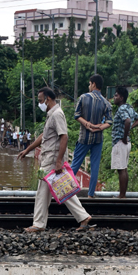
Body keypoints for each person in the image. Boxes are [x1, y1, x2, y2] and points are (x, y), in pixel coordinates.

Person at [18, 87, 92, 233]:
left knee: (44, 191)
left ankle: (39, 224)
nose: (40, 104)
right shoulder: (51, 114)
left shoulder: (57, 114)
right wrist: (28, 149)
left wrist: (59, 161)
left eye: (40, 101)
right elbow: (43, 136)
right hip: (49, 158)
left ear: (48, 99)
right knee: (62, 189)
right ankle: (83, 216)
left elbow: (64, 136)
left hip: (51, 159)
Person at [70, 74, 112, 197]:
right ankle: (91, 193)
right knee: (95, 166)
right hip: (98, 139)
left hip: (84, 137)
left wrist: (87, 124)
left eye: (89, 84)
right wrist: (98, 127)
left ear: (93, 84)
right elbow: (109, 122)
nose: (89, 86)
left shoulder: (83, 98)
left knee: (75, 164)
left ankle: (66, 191)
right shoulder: (106, 103)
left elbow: (77, 115)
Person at [111, 86, 138, 198]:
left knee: (121, 169)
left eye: (116, 95)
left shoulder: (122, 109)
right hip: (125, 143)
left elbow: (128, 120)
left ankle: (122, 195)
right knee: (124, 168)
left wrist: (124, 136)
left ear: (121, 97)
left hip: (121, 142)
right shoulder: (129, 108)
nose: (114, 98)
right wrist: (129, 129)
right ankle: (122, 194)